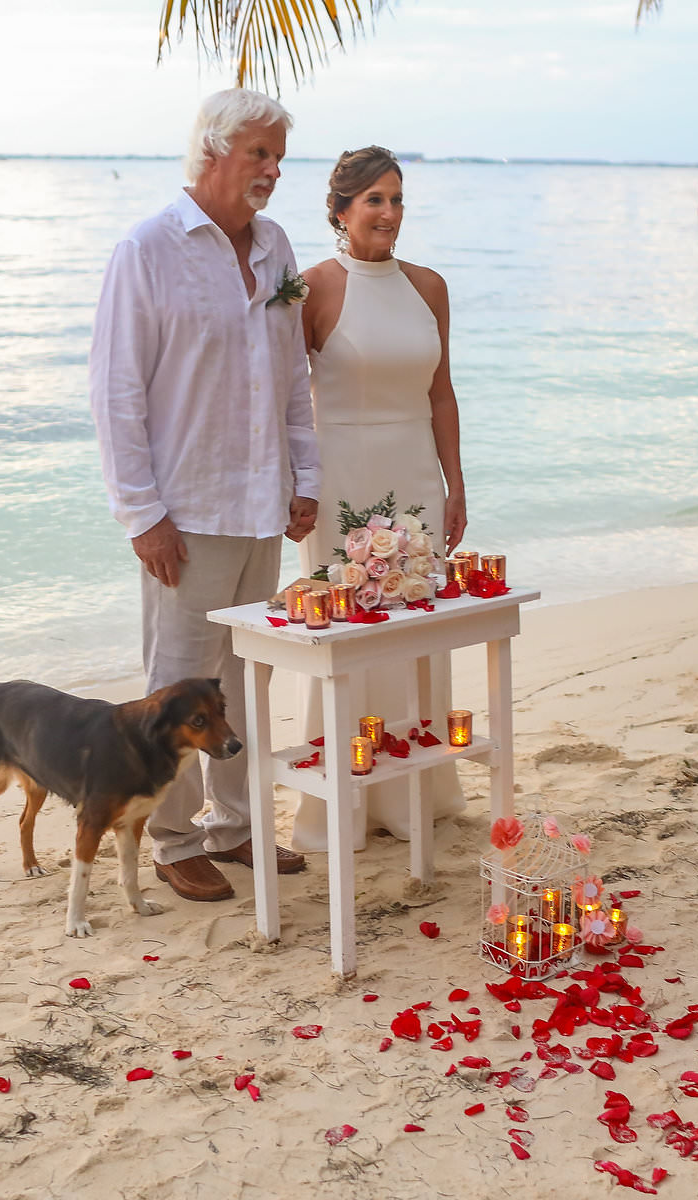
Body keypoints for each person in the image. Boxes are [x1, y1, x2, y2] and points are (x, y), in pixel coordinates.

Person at [88, 88, 320, 903]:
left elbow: (292, 376)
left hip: (263, 506)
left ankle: (238, 828)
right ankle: (174, 838)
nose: (272, 169)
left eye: (277, 155)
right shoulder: (147, 248)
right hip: (184, 514)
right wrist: (142, 513)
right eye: (258, 153)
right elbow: (116, 394)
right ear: (213, 150)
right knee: (179, 688)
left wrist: (306, 478)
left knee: (246, 683)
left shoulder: (277, 247)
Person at [289, 146, 469, 853]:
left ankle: (418, 790)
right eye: (374, 201)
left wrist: (455, 483)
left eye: (397, 199)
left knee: (413, 625)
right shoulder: (312, 288)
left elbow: (442, 391)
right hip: (341, 480)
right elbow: (286, 400)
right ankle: (343, 799)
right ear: (340, 211)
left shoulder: (429, 286)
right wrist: (295, 488)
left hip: (415, 477)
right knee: (346, 627)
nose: (390, 214)